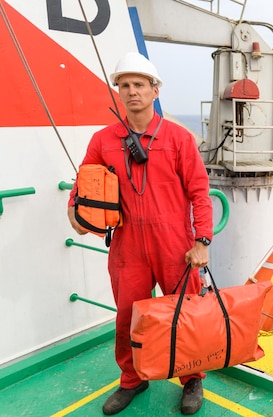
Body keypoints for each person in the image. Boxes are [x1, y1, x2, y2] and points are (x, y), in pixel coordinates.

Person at [67, 52, 213, 415]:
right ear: (118, 90)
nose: (132, 91)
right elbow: (84, 181)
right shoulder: (103, 140)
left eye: (140, 85)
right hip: (127, 243)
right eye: (125, 85)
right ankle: (132, 379)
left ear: (155, 90)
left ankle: (191, 379)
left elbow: (200, 192)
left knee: (185, 315)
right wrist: (76, 212)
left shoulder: (179, 138)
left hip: (174, 245)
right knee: (127, 316)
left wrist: (202, 240)